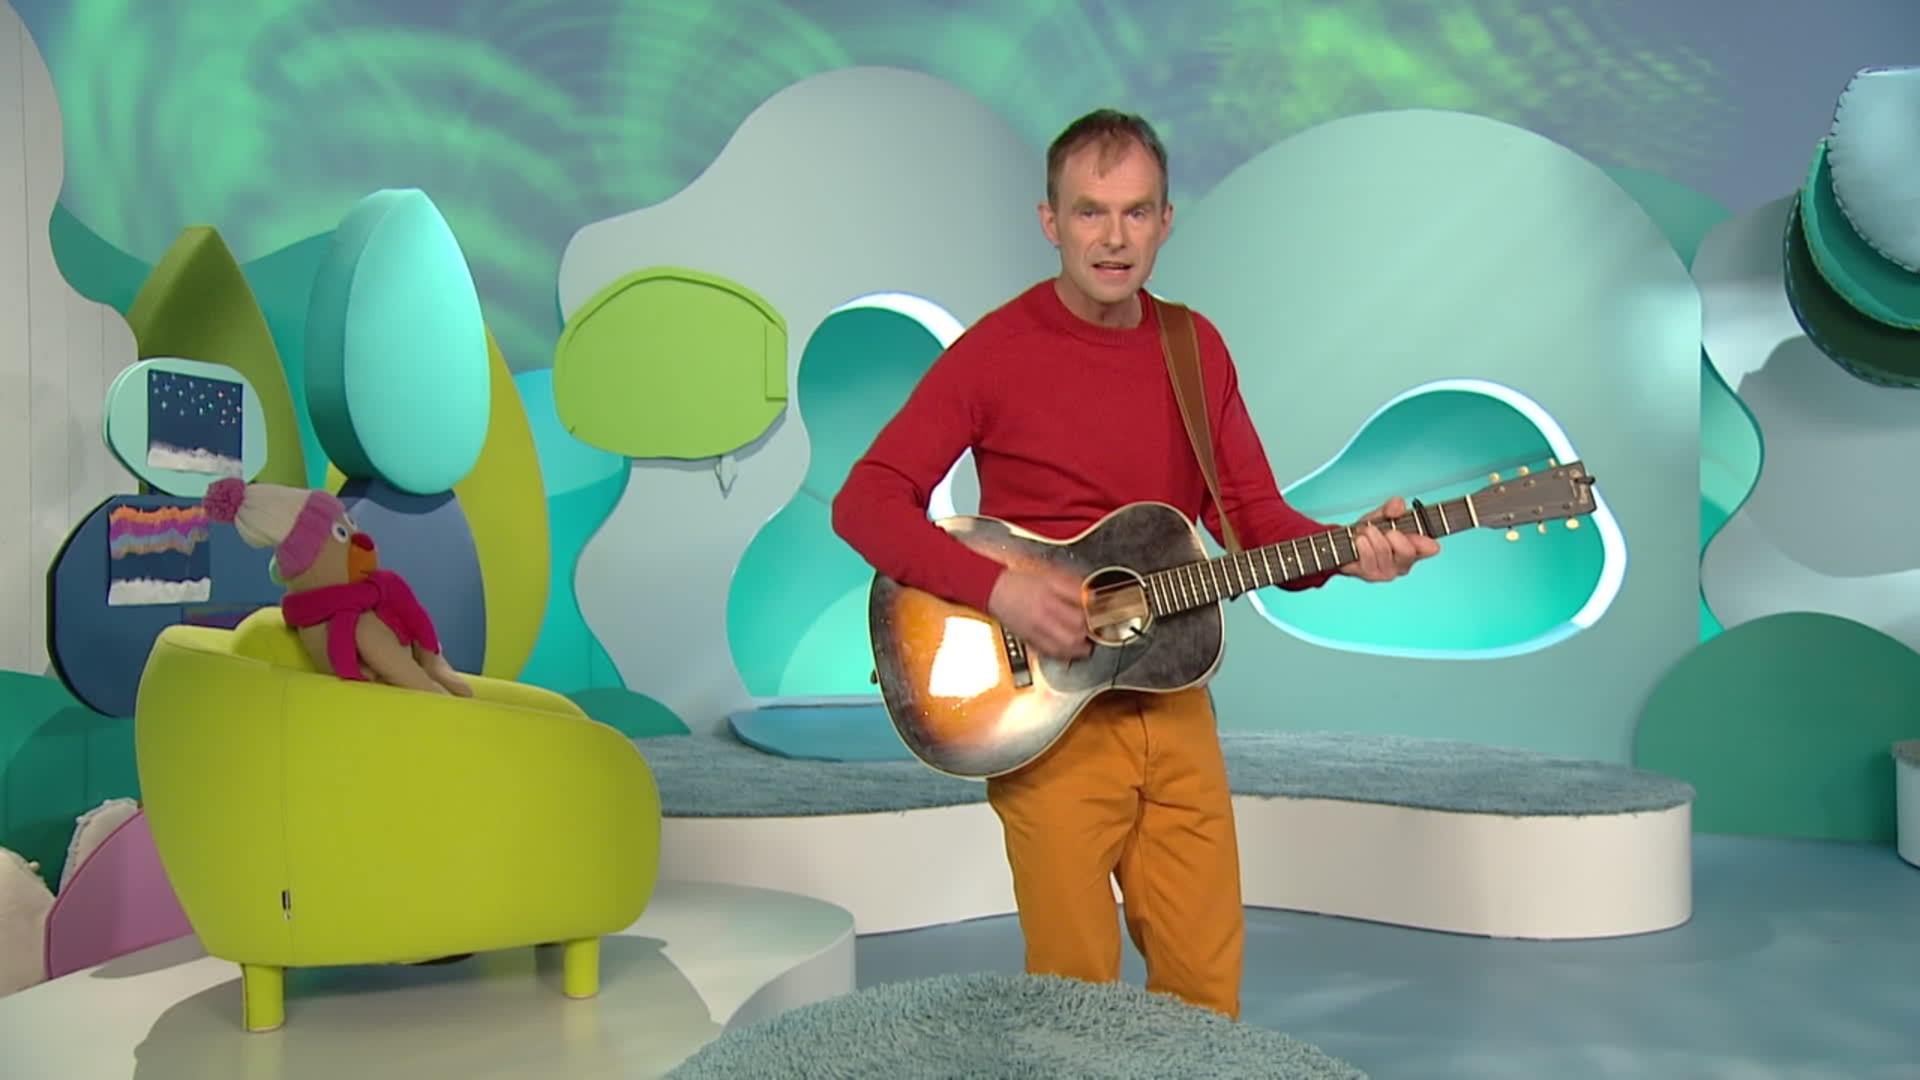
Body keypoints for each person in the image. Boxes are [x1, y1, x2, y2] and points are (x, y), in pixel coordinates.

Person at [830, 108, 1438, 1020]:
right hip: (1045, 715)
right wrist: (1003, 589)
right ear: (1051, 221)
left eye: (1136, 212)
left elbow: (1253, 520)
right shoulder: (993, 353)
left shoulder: (1196, 350)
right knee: (1076, 999)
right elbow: (865, 501)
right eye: (1090, 212)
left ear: (1165, 222)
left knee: (1206, 993)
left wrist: (1351, 554)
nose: (1113, 238)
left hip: (1174, 694)